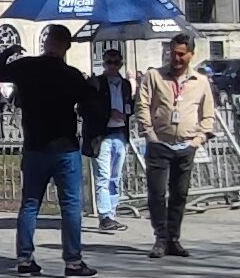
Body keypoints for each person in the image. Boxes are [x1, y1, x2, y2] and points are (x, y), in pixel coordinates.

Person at [0, 27, 98, 278]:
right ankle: (73, 261)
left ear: (47, 42)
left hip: (35, 146)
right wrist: (91, 86)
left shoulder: (27, 67)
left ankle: (25, 259)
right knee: (70, 205)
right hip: (64, 147)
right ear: (67, 46)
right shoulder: (70, 75)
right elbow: (88, 104)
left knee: (30, 204)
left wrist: (9, 51)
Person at [134, 33, 218, 258]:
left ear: (191, 54)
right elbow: (142, 105)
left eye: (182, 54)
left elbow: (208, 114)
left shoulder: (200, 82)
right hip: (159, 143)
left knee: (180, 194)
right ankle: (160, 237)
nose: (177, 58)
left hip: (186, 146)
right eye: (173, 53)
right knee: (157, 193)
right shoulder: (154, 76)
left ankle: (173, 238)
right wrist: (149, 134)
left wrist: (198, 140)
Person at [87, 47, 134, 233]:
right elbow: (87, 108)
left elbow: (130, 104)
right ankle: (104, 215)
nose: (112, 66)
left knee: (115, 177)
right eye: (109, 62)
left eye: (116, 63)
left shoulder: (125, 84)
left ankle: (112, 213)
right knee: (103, 176)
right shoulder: (97, 83)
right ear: (104, 64)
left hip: (120, 133)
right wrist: (109, 113)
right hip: (102, 135)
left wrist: (127, 113)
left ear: (121, 64)